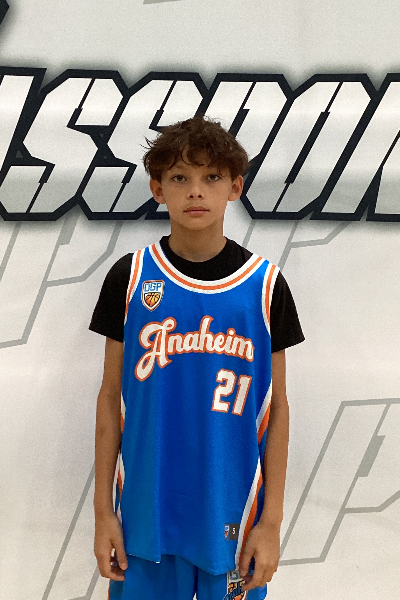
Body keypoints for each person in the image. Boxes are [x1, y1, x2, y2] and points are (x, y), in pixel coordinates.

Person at [90, 116, 304, 600]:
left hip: (234, 518)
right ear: (157, 189)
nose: (195, 191)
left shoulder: (265, 286)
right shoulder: (130, 278)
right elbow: (109, 399)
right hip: (146, 517)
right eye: (179, 177)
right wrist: (103, 513)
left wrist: (271, 523)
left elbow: (276, 409)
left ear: (235, 187)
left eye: (211, 177)